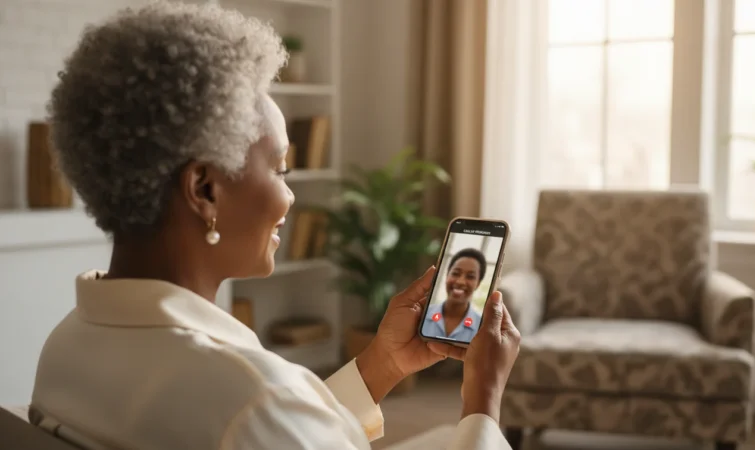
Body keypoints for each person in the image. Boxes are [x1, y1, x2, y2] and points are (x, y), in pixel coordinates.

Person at [28, 2, 521, 450]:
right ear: (204, 189)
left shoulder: (64, 346)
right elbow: (261, 418)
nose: (289, 197)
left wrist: (383, 365)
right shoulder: (249, 398)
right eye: (280, 169)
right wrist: (484, 402)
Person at [421, 248, 486, 342]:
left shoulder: (482, 328)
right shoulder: (422, 315)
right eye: (455, 273)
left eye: (470, 276)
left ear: (478, 284)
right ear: (447, 276)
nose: (460, 281)